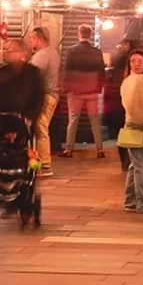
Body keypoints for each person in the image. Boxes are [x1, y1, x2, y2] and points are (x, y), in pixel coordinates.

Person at [61, 25, 107, 159]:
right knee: (94, 120)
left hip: (76, 92)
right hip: (92, 91)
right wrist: (99, 88)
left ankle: (69, 149)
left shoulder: (71, 51)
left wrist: (66, 88)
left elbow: (68, 70)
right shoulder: (97, 52)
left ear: (78, 34)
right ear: (90, 35)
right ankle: (99, 150)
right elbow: (101, 71)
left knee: (73, 119)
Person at [120, 50, 143, 213]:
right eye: (133, 61)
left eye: (139, 61)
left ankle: (130, 200)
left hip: (139, 126)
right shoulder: (132, 82)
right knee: (142, 166)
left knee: (135, 165)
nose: (136, 64)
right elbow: (133, 107)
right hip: (138, 126)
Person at [27, 27, 60, 175]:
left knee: (41, 128)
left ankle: (44, 165)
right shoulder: (52, 52)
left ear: (40, 39)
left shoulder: (42, 56)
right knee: (42, 128)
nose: (30, 40)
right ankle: (40, 164)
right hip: (51, 95)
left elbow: (32, 77)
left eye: (32, 38)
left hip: (45, 96)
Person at [105, 38, 133, 170]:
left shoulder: (115, 69)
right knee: (123, 132)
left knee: (121, 133)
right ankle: (126, 160)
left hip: (119, 105)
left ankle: (126, 160)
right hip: (120, 105)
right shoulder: (119, 68)